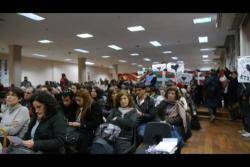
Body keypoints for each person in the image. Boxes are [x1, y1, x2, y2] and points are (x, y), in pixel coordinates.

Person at [70, 89, 103, 153]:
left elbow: (96, 123)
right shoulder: (80, 106)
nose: (77, 102)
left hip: (91, 132)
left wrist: (80, 124)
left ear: (86, 99)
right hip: (81, 130)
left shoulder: (94, 106)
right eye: (76, 100)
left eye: (79, 100)